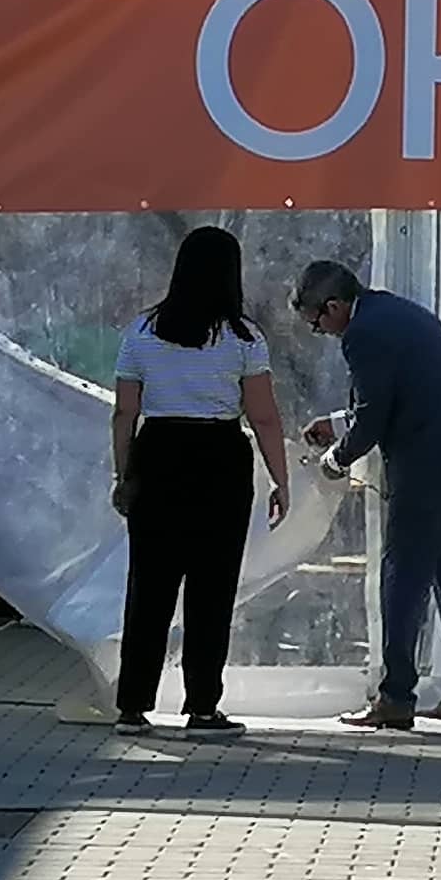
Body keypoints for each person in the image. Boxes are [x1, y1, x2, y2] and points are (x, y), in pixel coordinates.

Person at [294, 259, 441, 732]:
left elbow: (373, 417)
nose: (321, 333)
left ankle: (394, 699)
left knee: (403, 577)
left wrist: (335, 460)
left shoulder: (361, 334)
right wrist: (337, 424)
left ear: (333, 307)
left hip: (430, 464)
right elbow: (396, 396)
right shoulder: (394, 312)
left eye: (317, 323)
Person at [107, 228, 291, 734]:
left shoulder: (142, 332)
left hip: (158, 453)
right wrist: (280, 478)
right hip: (220, 458)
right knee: (213, 589)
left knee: (149, 585)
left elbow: (126, 412)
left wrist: (123, 474)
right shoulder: (244, 338)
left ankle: (133, 705)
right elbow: (265, 417)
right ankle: (203, 706)